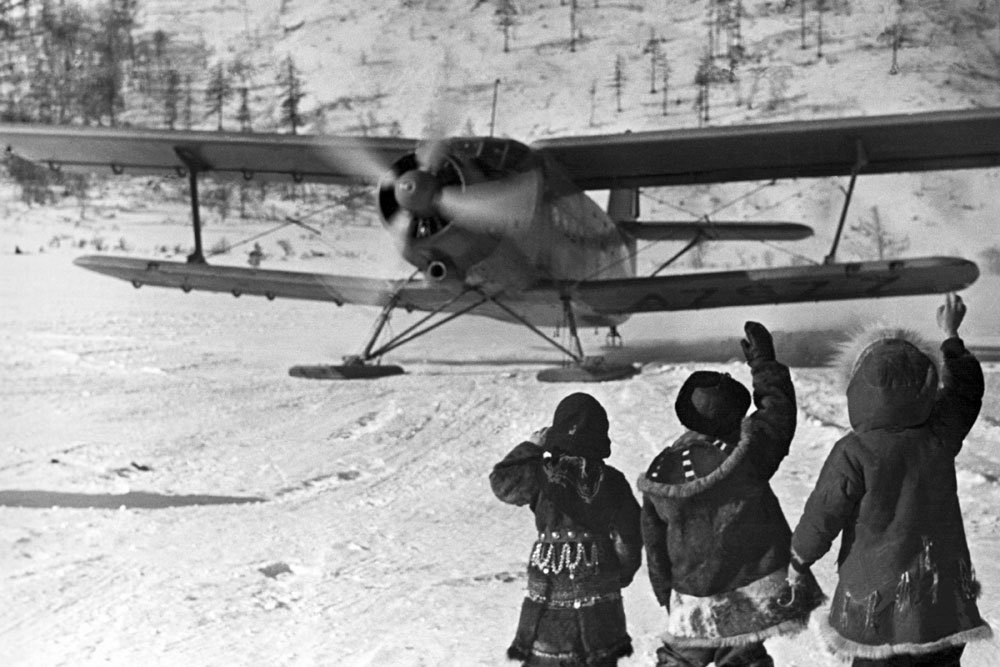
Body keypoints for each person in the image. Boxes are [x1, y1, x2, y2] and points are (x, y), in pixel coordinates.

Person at [790, 293, 992, 666]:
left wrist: (799, 559)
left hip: (873, 608)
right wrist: (951, 335)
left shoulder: (852, 451)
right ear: (927, 384)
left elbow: (823, 514)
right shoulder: (938, 437)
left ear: (856, 388)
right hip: (940, 603)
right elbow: (966, 391)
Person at [638, 321, 824, 667]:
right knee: (743, 657)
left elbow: (655, 544)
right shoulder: (747, 454)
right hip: (748, 594)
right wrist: (764, 364)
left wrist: (668, 596)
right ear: (735, 416)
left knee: (681, 656)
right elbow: (778, 415)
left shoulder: (660, 472)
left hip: (691, 598)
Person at [490, 392, 642, 666]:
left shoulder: (541, 473)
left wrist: (532, 447)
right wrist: (617, 576)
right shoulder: (613, 481)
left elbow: (503, 483)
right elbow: (629, 538)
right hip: (599, 604)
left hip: (550, 599)